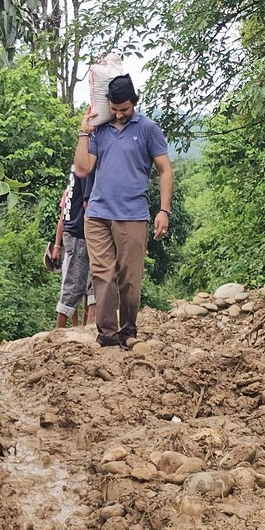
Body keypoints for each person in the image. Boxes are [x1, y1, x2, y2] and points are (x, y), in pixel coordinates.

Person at [74, 74, 173, 348]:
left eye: (124, 110)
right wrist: (84, 132)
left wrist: (164, 210)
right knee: (102, 276)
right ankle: (107, 336)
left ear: (135, 104)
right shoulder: (100, 130)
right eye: (115, 109)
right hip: (97, 215)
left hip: (132, 215)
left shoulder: (148, 129)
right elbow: (83, 169)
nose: (119, 115)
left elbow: (165, 170)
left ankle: (128, 332)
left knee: (129, 280)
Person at [51, 165, 97, 328]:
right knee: (75, 283)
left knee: (94, 280)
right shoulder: (86, 168)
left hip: (77, 233)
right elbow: (88, 204)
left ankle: (90, 325)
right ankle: (60, 331)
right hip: (80, 233)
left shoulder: (77, 169)